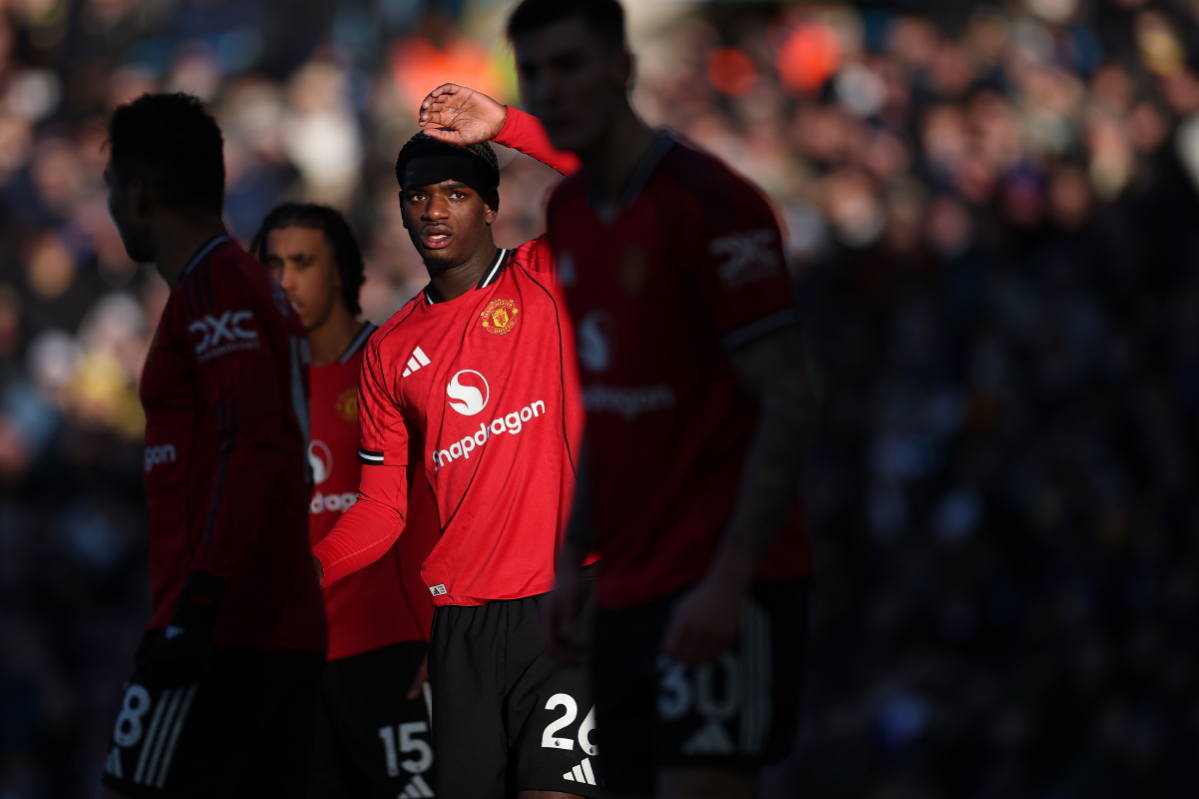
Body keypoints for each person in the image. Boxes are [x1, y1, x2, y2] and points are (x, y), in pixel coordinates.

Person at [422, 1, 819, 796]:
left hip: (715, 580)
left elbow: (789, 396)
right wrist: (573, 563)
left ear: (624, 69)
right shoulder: (571, 217)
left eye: (569, 65)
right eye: (534, 71)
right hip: (622, 587)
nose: (552, 86)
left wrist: (730, 577)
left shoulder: (707, 202)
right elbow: (611, 407)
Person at [310, 119, 599, 799]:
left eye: (455, 192)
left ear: (491, 203)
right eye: (417, 196)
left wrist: (503, 124)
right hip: (461, 629)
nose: (433, 210)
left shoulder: (547, 276)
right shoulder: (388, 351)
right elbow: (382, 508)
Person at [99, 93, 326, 798]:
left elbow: (252, 444)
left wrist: (196, 606)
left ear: (138, 192)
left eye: (110, 189)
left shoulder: (216, 288)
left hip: (222, 633)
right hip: (265, 626)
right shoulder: (235, 283)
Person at [251, 204, 439, 799]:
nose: (285, 281)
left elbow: (451, 505)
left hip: (396, 655)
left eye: (302, 262)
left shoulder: (392, 363)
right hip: (293, 668)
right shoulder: (254, 393)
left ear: (340, 272)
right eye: (273, 265)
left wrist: (450, 638)